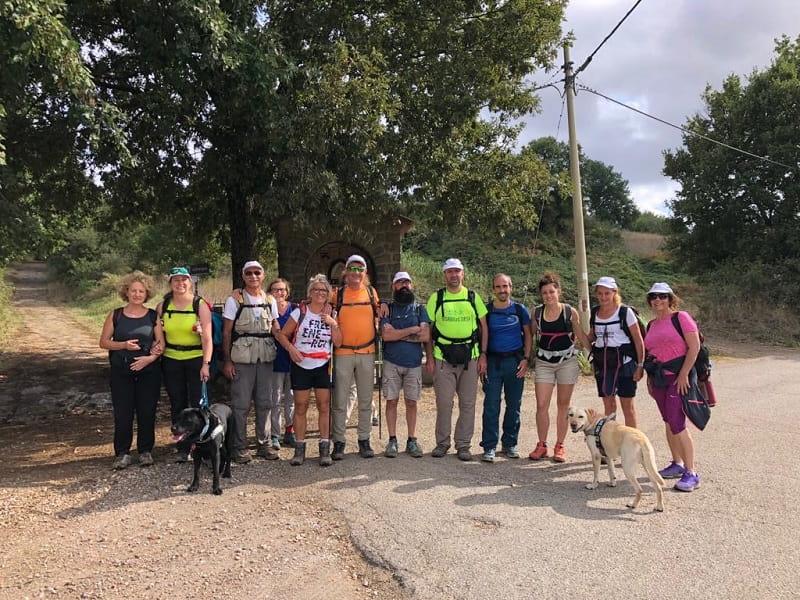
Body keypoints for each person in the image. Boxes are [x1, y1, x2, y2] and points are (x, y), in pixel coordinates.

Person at [99, 271, 164, 470]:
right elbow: (103, 342)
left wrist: (149, 359)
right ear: (126, 292)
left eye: (141, 291)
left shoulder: (153, 316)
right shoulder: (116, 315)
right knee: (123, 413)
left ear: (147, 294)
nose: (137, 294)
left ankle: (145, 451)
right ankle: (122, 453)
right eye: (133, 290)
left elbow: (161, 344)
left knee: (147, 411)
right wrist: (123, 346)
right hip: (121, 371)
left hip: (148, 371)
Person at [425, 258, 488, 461]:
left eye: (457, 271)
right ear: (445, 275)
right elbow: (428, 329)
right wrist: (430, 357)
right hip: (442, 356)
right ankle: (442, 443)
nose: (453, 275)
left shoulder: (472, 297)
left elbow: (483, 326)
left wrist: (483, 355)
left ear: (463, 274)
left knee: (468, 403)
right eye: (449, 271)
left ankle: (463, 445)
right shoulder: (437, 297)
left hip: (470, 356)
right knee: (444, 403)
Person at [643, 282, 702, 492]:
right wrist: (650, 380)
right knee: (668, 421)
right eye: (653, 297)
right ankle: (677, 463)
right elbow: (650, 354)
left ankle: (691, 472)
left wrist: (685, 374)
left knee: (678, 423)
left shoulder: (681, 318)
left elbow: (694, 347)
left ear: (670, 298)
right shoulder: (651, 325)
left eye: (662, 296)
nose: (657, 300)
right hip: (659, 380)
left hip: (678, 378)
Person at [277, 274, 342, 466]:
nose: (320, 293)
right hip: (301, 364)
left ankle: (324, 448)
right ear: (310, 293)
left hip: (322, 365)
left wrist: (334, 324)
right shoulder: (300, 312)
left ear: (329, 294)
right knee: (301, 406)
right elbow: (282, 335)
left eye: (324, 291)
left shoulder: (332, 313)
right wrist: (291, 349)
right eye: (316, 290)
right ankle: (299, 449)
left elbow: (338, 342)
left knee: (324, 406)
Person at [221, 260, 281, 463]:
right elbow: (227, 332)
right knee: (241, 404)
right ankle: (239, 447)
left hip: (265, 357)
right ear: (243, 275)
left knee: (265, 402)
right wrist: (227, 361)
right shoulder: (234, 300)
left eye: (257, 272)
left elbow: (275, 328)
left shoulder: (270, 300)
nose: (253, 276)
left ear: (263, 275)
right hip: (242, 359)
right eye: (249, 273)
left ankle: (264, 445)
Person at [528, 272, 591, 462]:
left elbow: (580, 334)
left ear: (558, 292)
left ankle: (560, 446)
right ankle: (541, 445)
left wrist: (594, 355)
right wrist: (524, 357)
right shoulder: (537, 313)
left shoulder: (569, 312)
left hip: (567, 362)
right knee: (541, 405)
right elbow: (529, 336)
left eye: (551, 292)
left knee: (563, 405)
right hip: (544, 362)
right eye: (545, 293)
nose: (548, 296)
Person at [158, 266, 213, 463]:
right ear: (170, 283)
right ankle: (182, 447)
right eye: (176, 280)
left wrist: (206, 364)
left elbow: (207, 338)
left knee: (200, 405)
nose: (180, 283)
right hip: (171, 359)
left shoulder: (200, 305)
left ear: (190, 282)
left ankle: (203, 445)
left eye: (184, 280)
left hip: (196, 358)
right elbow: (158, 335)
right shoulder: (163, 306)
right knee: (177, 403)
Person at [331, 255, 380, 460]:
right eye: (352, 268)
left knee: (366, 399)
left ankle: (364, 440)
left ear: (365, 273)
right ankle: (339, 441)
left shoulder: (370, 292)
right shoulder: (338, 294)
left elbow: (379, 312)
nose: (356, 273)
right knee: (340, 399)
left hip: (367, 352)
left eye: (360, 269)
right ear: (346, 271)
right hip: (343, 353)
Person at [480, 274, 532, 463]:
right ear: (493, 289)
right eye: (498, 287)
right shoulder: (486, 310)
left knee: (514, 405)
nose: (502, 290)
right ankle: (489, 446)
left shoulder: (520, 310)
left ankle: (510, 444)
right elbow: (481, 335)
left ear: (511, 287)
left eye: (505, 286)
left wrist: (526, 359)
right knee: (491, 405)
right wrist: (482, 358)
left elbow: (528, 335)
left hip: (515, 362)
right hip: (493, 362)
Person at [380, 271, 430, 458]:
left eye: (407, 282)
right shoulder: (388, 309)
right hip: (391, 362)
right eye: (399, 282)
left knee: (411, 402)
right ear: (393, 286)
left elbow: (425, 336)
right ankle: (392, 440)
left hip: (414, 363)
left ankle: (412, 440)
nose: (403, 285)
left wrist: (398, 333)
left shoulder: (419, 309)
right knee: (391, 401)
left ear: (412, 285)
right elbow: (386, 335)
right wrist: (412, 330)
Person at [589, 276, 644, 428]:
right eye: (600, 293)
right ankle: (610, 442)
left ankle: (633, 443)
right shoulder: (595, 313)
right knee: (609, 407)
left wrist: (640, 365)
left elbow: (638, 341)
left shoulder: (625, 312)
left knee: (628, 408)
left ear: (614, 293)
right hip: (604, 365)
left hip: (625, 364)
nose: (603, 297)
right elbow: (591, 337)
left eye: (607, 293)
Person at [268, 277, 296, 449]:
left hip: (293, 359)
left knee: (291, 397)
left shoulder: (294, 309)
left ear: (287, 291)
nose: (279, 293)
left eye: (282, 289)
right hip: (275, 359)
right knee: (275, 399)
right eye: (275, 290)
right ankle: (275, 434)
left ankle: (290, 430)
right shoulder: (267, 309)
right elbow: (275, 333)